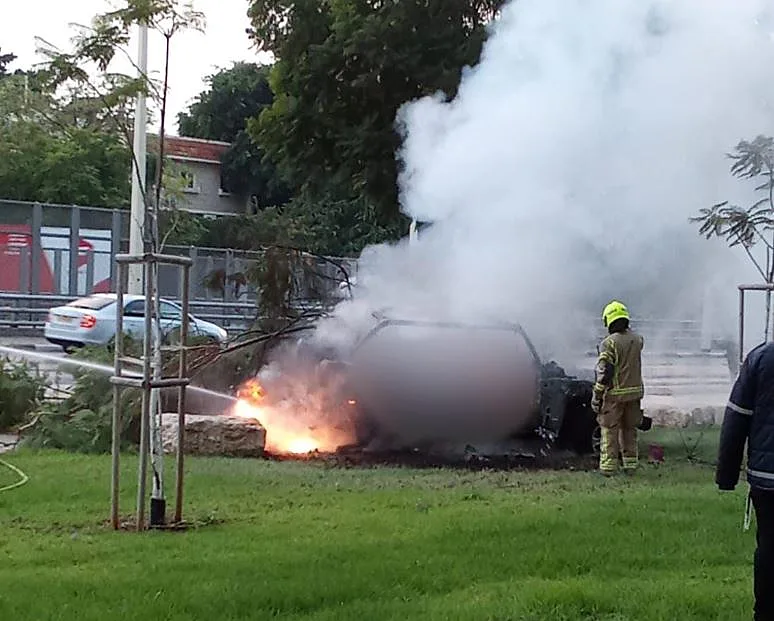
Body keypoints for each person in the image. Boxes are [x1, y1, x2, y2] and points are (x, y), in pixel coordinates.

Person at [716, 341, 774, 621]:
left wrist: (727, 474)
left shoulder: (761, 358)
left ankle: (764, 613)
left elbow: (736, 418)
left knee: (770, 548)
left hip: (767, 480)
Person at [590, 301, 645, 475]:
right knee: (630, 430)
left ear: (608, 320)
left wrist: (597, 395)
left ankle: (608, 468)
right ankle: (630, 466)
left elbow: (605, 372)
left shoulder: (608, 344)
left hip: (614, 395)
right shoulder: (638, 340)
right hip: (635, 393)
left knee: (610, 431)